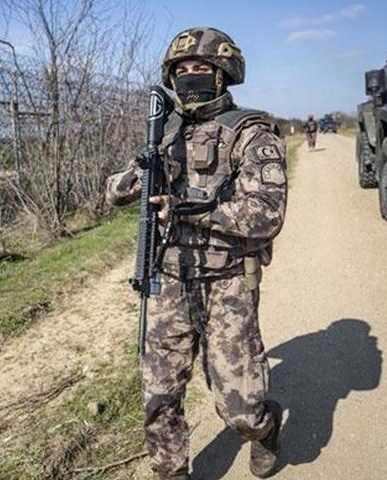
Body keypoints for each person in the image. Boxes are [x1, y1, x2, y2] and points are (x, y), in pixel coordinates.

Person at [105, 27, 288, 480]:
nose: (190, 77)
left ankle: (265, 430)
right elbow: (115, 191)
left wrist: (192, 211)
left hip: (227, 282)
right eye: (181, 70)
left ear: (222, 75)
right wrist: (133, 180)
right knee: (159, 395)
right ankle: (171, 471)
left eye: (200, 69)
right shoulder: (163, 133)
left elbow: (266, 215)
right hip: (168, 278)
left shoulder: (250, 132)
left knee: (240, 409)